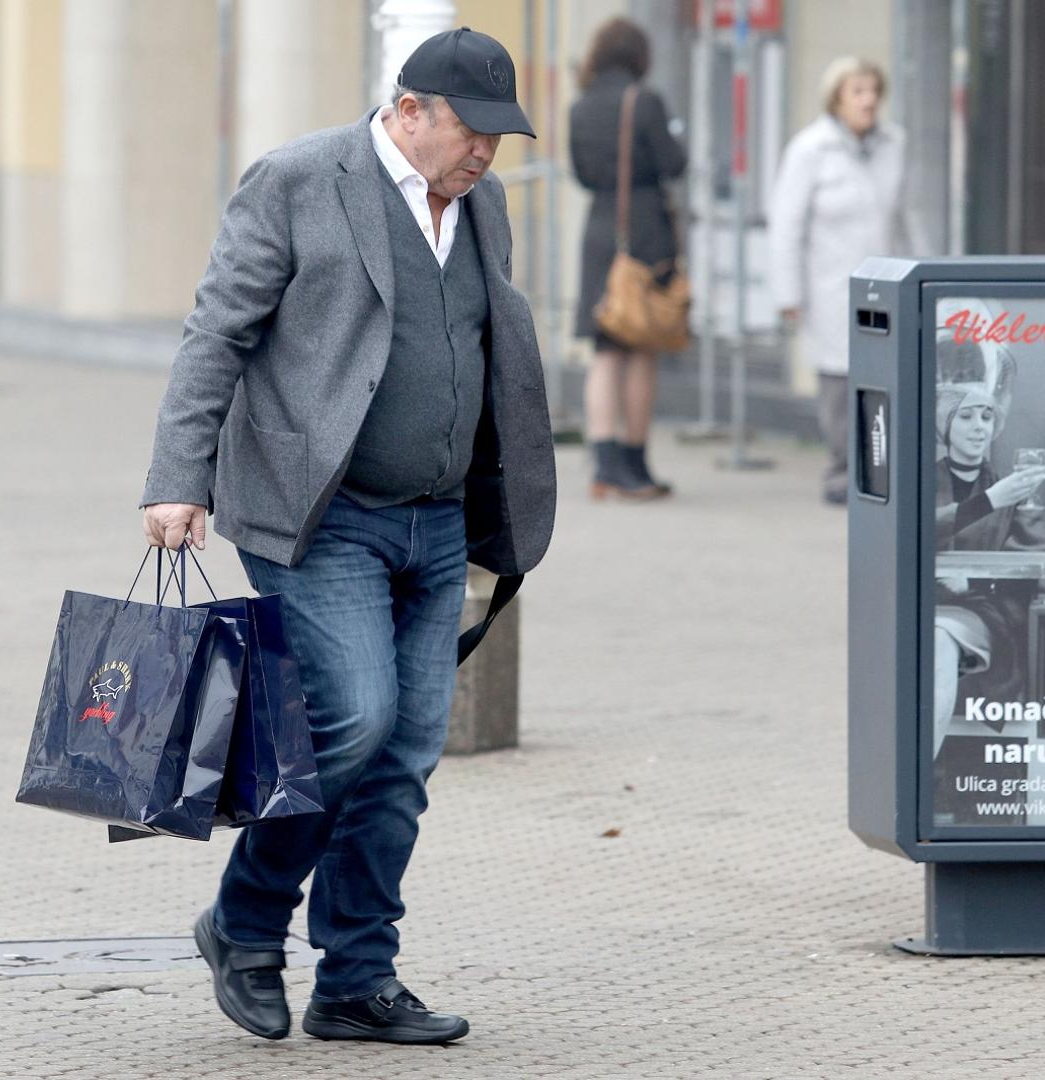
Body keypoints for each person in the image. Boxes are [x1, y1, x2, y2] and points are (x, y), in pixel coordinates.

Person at [138, 28, 555, 1046]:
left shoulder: (483, 204)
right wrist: (177, 478)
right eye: (469, 131)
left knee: (406, 756)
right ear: (409, 111)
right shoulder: (296, 180)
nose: (485, 152)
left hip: (440, 520)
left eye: (499, 137)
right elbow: (218, 331)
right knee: (356, 721)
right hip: (320, 514)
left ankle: (357, 978)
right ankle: (245, 921)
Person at [770, 57, 928, 505]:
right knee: (840, 382)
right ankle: (842, 471)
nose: (868, 100)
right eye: (857, 91)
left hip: (888, 282)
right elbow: (787, 226)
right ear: (836, 99)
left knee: (890, 374)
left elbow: (908, 216)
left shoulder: (895, 144)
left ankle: (884, 473)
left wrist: (927, 272)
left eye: (874, 90)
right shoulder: (810, 150)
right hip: (831, 286)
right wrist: (788, 294)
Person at [570, 17, 688, 500]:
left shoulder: (580, 106)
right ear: (639, 56)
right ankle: (635, 466)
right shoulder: (645, 101)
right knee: (641, 346)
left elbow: (581, 174)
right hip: (643, 231)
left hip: (600, 230)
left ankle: (604, 466)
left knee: (604, 350)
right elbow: (674, 163)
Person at [931, 338, 1045, 758]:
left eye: (986, 416)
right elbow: (913, 532)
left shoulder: (1008, 487)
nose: (979, 426)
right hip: (915, 605)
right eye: (966, 416)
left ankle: (923, 765)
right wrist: (988, 502)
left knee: (940, 639)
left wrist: (975, 581)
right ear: (945, 423)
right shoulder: (922, 481)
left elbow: (1038, 559)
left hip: (976, 613)